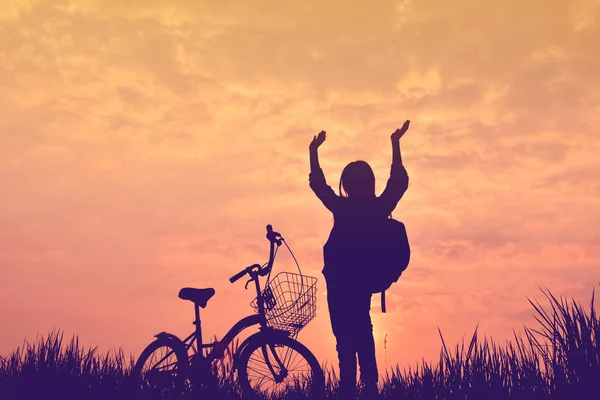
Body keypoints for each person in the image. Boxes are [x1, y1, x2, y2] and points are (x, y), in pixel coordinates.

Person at [308, 121, 411, 399]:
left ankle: (347, 390)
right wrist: (395, 144)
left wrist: (313, 152)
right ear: (370, 183)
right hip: (363, 282)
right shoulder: (378, 208)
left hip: (341, 283)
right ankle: (370, 388)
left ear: (348, 185)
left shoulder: (342, 208)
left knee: (345, 339)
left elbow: (318, 186)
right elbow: (399, 183)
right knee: (363, 332)